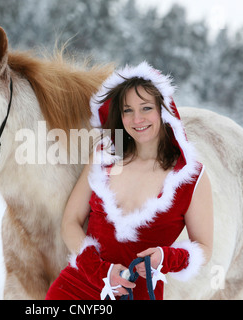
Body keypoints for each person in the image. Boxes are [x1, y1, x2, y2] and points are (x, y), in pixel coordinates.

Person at [45, 61, 213, 300]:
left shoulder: (190, 177)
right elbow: (70, 222)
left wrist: (166, 258)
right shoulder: (103, 157)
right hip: (75, 289)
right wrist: (100, 271)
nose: (137, 119)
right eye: (127, 110)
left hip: (138, 294)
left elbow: (203, 249)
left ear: (164, 111)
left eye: (146, 108)